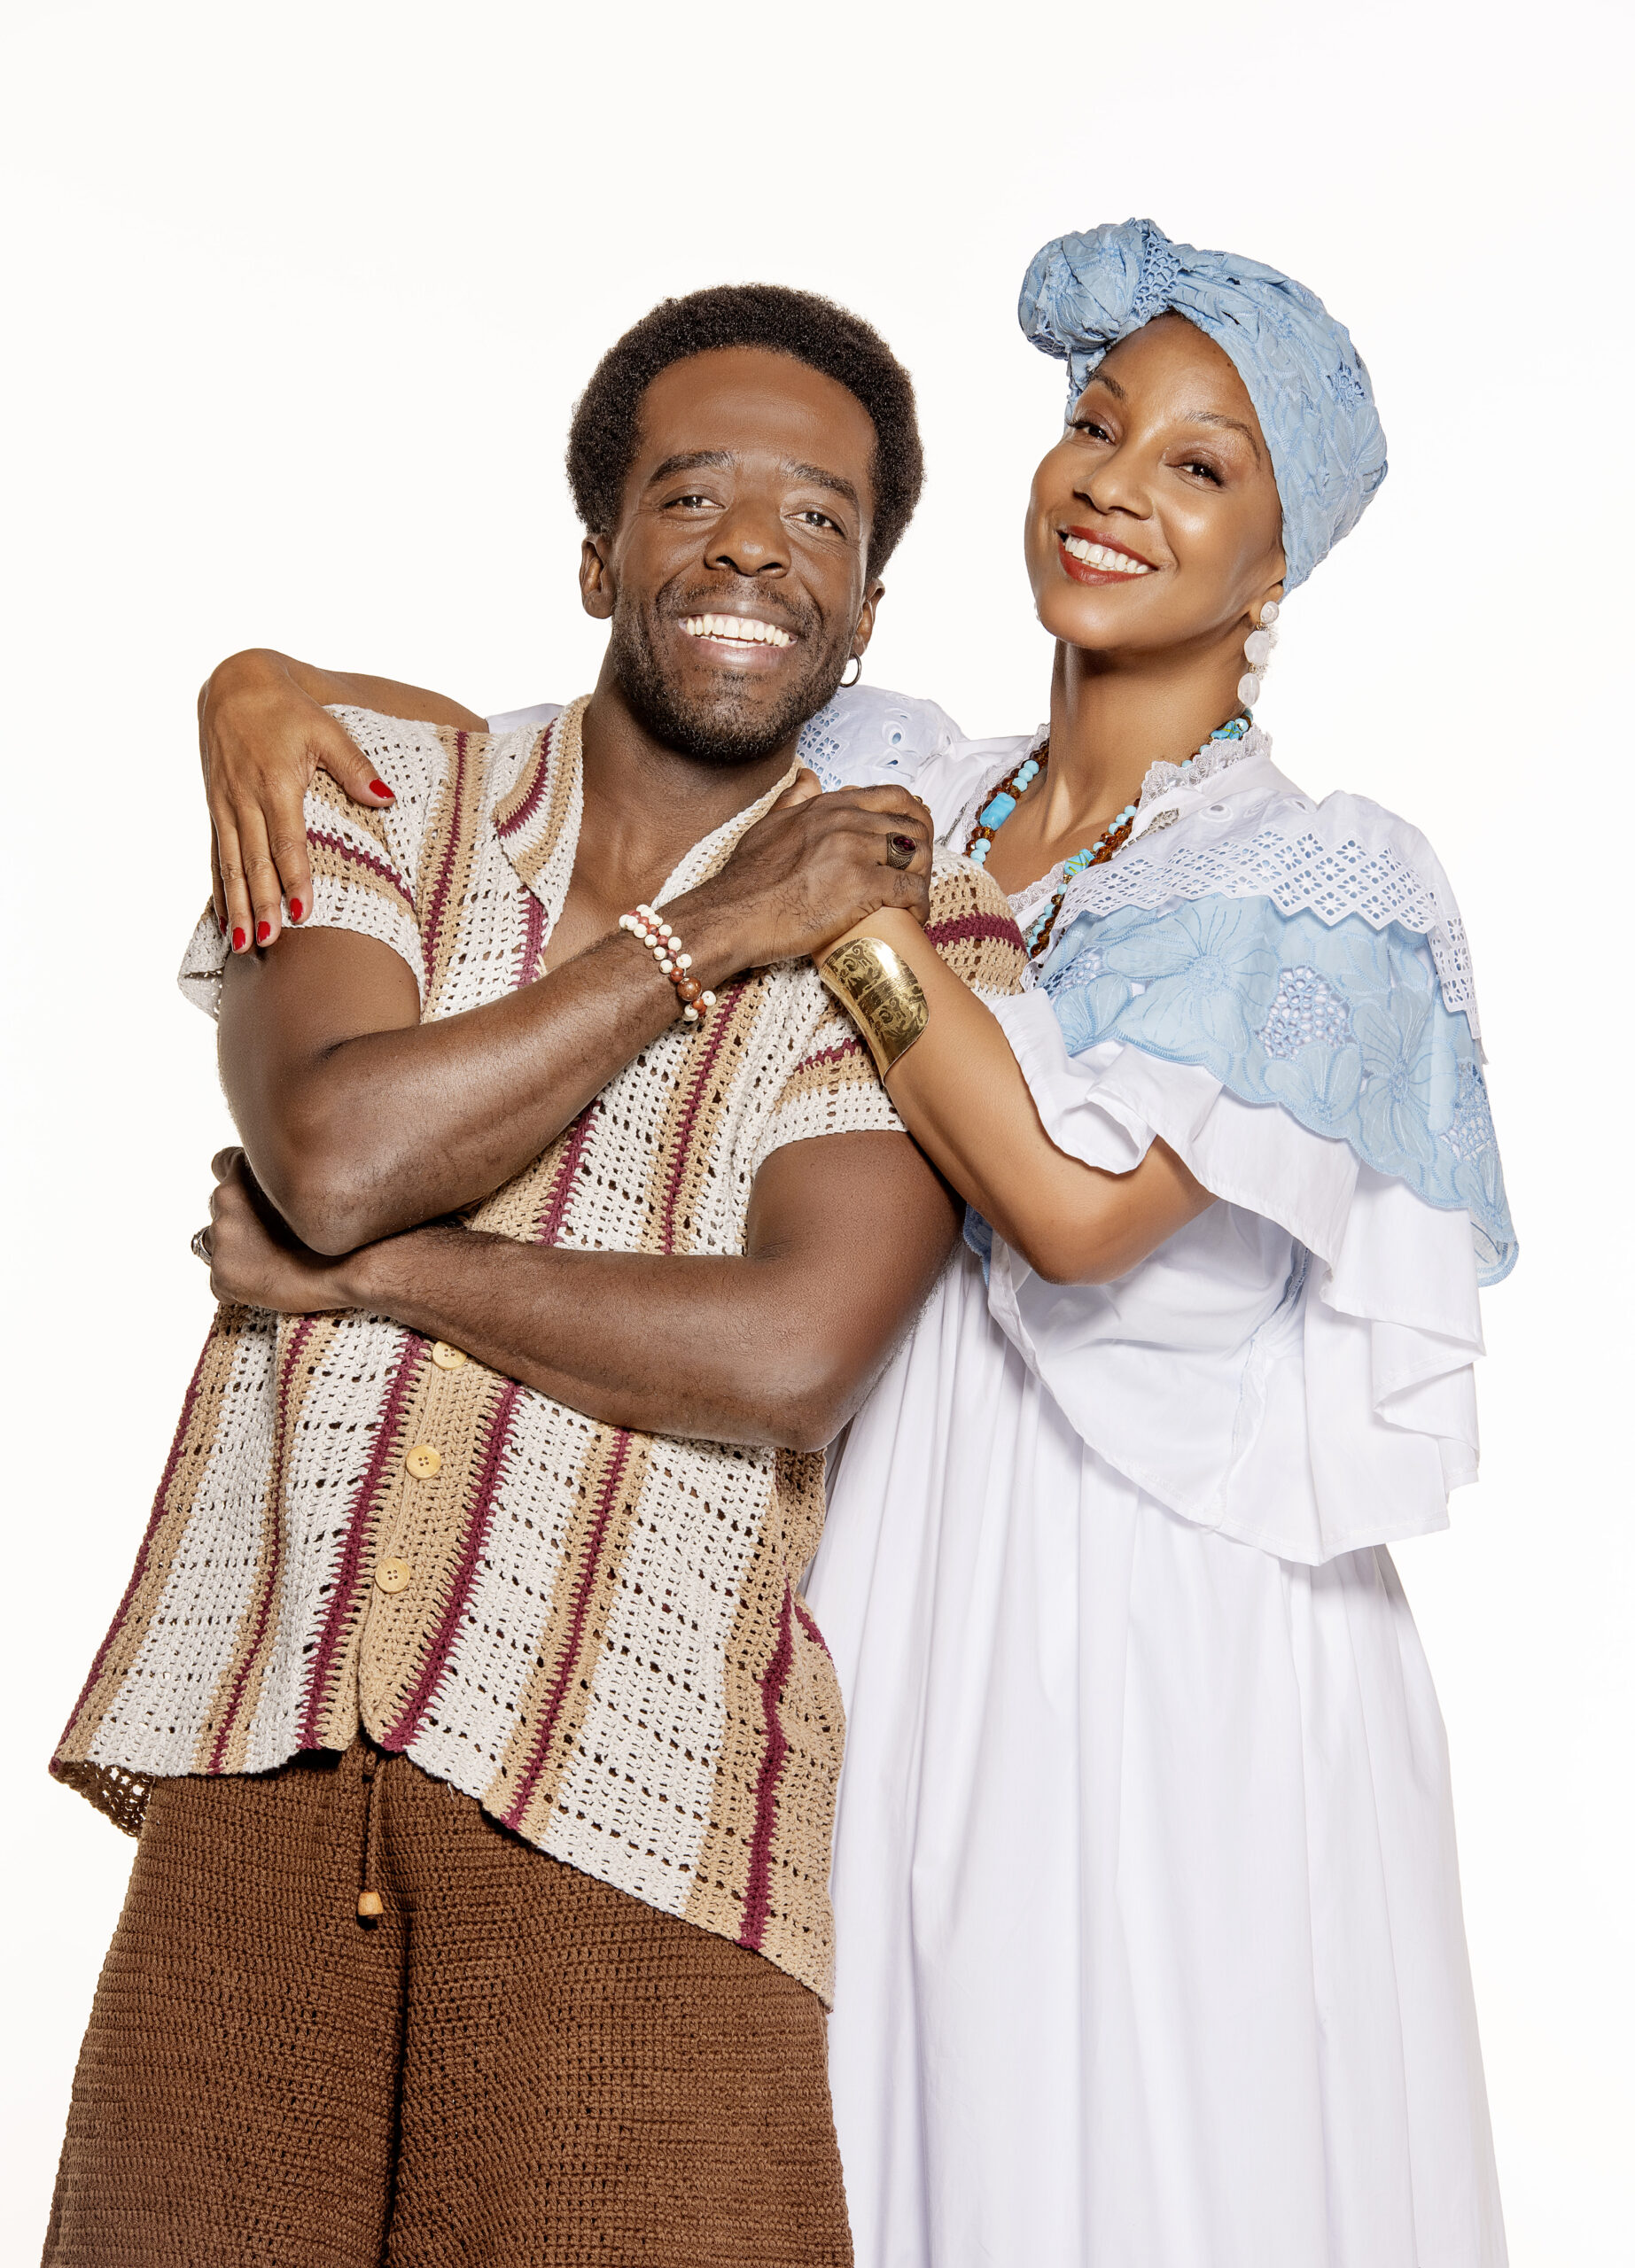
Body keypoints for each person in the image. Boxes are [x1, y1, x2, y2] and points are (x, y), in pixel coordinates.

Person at [160, 225, 1515, 2267]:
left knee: (1142, 2132)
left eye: (1196, 467)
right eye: (1092, 426)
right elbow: (599, 751)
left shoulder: (1316, 877)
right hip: (875, 1558)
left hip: (1156, 1620)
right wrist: (261, 690)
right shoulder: (908, 774)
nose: (1109, 487)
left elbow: (1067, 1218)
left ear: (1277, 562)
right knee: (843, 2152)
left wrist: (857, 923)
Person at [45, 284, 1025, 2268]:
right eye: (693, 495)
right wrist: (700, 940)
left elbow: (790, 1347)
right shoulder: (360, 797)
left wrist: (383, 1280)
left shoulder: (921, 935)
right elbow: (331, 1149)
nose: (754, 548)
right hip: (264, 1763)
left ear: (865, 613)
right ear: (596, 554)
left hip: (642, 1800)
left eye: (821, 519)